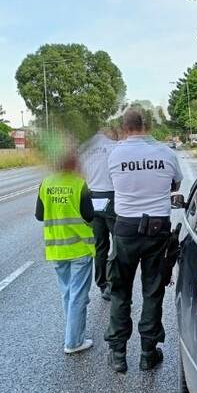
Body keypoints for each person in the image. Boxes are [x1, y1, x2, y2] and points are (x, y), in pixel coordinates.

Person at [105, 108, 182, 373]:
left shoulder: (115, 155)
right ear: (145, 126)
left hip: (125, 229)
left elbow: (113, 185)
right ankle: (148, 354)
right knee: (153, 291)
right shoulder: (166, 153)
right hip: (158, 230)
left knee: (120, 291)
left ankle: (118, 354)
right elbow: (175, 184)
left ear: (124, 128)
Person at [34, 141, 96, 354]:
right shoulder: (79, 184)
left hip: (56, 250)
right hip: (79, 248)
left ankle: (73, 332)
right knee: (78, 295)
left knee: (68, 294)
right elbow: (89, 215)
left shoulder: (45, 183)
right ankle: (73, 341)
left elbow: (39, 215)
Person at [78, 126, 119, 301]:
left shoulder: (84, 149)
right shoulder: (115, 147)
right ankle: (113, 284)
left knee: (100, 246)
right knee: (118, 243)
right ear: (111, 135)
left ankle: (102, 283)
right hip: (112, 197)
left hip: (91, 197)